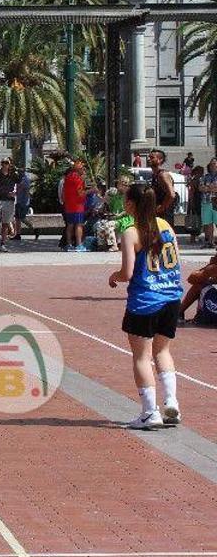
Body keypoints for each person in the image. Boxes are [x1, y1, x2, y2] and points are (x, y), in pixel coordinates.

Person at [108, 182, 184, 429]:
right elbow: (177, 263)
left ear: (131, 203)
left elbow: (128, 272)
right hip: (171, 297)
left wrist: (114, 276)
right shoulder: (166, 227)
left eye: (125, 200)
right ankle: (171, 401)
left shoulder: (132, 232)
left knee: (141, 357)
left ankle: (150, 412)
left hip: (145, 300)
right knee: (162, 351)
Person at [179, 252, 217, 322]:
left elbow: (192, 279)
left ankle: (179, 313)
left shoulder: (213, 268)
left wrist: (210, 266)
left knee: (199, 286)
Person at [61, 158, 88, 252]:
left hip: (69, 205)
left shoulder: (68, 177)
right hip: (77, 205)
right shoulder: (78, 179)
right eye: (83, 169)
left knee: (70, 225)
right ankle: (79, 244)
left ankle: (68, 244)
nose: (84, 171)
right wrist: (91, 190)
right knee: (79, 225)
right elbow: (80, 193)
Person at [148, 149, 177, 218]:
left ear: (160, 160)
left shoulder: (163, 175)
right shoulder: (154, 175)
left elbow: (171, 195)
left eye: (152, 157)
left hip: (164, 215)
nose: (148, 159)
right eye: (149, 157)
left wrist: (162, 208)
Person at [201, 158, 217, 249]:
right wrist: (211, 188)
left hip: (216, 202)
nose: (213, 166)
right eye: (211, 164)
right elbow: (200, 188)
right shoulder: (205, 177)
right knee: (208, 223)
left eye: (214, 164)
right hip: (206, 202)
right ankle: (210, 242)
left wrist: (207, 188)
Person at [13, 167, 32, 242]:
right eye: (18, 172)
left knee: (22, 218)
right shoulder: (19, 180)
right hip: (18, 201)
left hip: (24, 202)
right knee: (17, 218)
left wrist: (26, 202)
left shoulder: (26, 180)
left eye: (20, 172)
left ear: (23, 172)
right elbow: (18, 191)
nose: (19, 173)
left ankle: (33, 228)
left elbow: (27, 191)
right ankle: (18, 234)